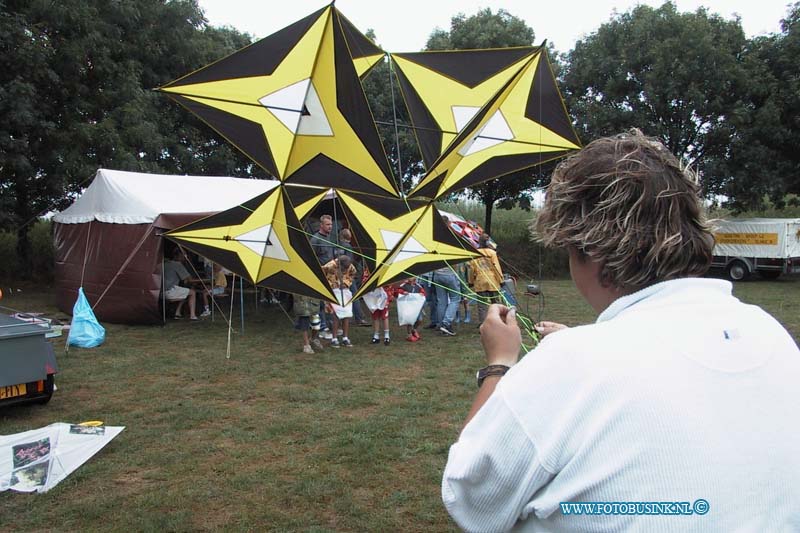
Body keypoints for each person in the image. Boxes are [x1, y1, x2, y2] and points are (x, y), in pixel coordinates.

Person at [442, 130, 800, 531]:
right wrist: (579, 349)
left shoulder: (571, 363)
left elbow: (470, 498)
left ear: (588, 251)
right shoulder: (769, 332)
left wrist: (501, 363)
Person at [467, 233, 504, 325]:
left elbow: (472, 270)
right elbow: (497, 268)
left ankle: (483, 324)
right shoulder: (492, 253)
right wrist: (501, 280)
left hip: (480, 281)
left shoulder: (475, 253)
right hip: (493, 280)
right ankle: (498, 322)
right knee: (495, 302)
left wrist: (471, 281)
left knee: (481, 305)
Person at [321, 254, 356, 348]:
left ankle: (345, 338)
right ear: (339, 264)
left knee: (347, 315)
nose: (345, 271)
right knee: (336, 316)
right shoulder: (329, 266)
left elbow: (353, 275)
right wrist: (331, 285)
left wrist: (346, 283)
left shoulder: (350, 266)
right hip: (334, 292)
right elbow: (321, 276)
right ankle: (334, 339)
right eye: (344, 269)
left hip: (345, 292)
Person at [311, 214, 337, 338]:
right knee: (321, 302)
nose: (330, 227)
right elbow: (312, 257)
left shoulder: (330, 237)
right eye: (327, 224)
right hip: (321, 274)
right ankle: (321, 327)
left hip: (331, 274)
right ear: (321, 225)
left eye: (331, 224)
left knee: (330, 301)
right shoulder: (315, 239)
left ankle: (331, 325)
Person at [163, 247, 200, 320]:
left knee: (184, 292)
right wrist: (207, 280)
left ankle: (177, 313)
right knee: (192, 292)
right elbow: (190, 280)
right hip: (169, 291)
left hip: (159, 292)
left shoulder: (165, 263)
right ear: (179, 255)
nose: (185, 257)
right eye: (184, 255)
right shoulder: (178, 264)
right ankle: (193, 316)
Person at [396, 277, 426, 342]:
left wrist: (421, 294)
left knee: (419, 319)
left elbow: (423, 292)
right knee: (409, 321)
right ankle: (409, 334)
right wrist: (403, 292)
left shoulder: (418, 286)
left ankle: (414, 329)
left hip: (416, 307)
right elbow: (397, 291)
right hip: (408, 306)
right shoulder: (404, 285)